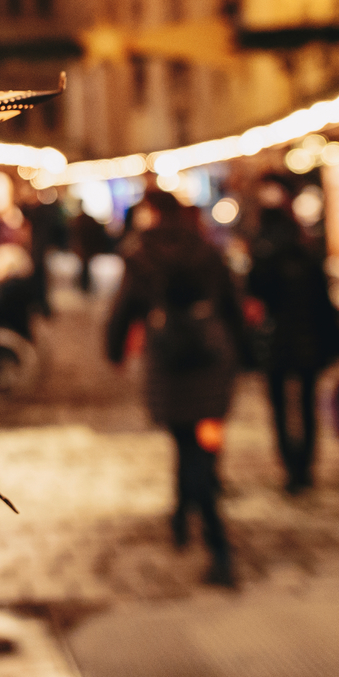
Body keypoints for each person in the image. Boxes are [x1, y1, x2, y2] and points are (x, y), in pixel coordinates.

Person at [105, 189, 244, 586]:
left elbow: (124, 307)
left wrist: (114, 350)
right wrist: (244, 353)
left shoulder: (141, 254)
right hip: (211, 359)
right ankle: (188, 517)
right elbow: (231, 303)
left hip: (169, 360)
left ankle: (209, 536)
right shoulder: (206, 248)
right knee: (202, 443)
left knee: (187, 444)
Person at [246, 179, 339, 494]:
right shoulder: (305, 248)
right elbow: (322, 298)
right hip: (306, 336)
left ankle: (290, 464)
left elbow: (255, 291)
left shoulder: (264, 250)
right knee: (306, 402)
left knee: (279, 405)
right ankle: (305, 466)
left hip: (276, 336)